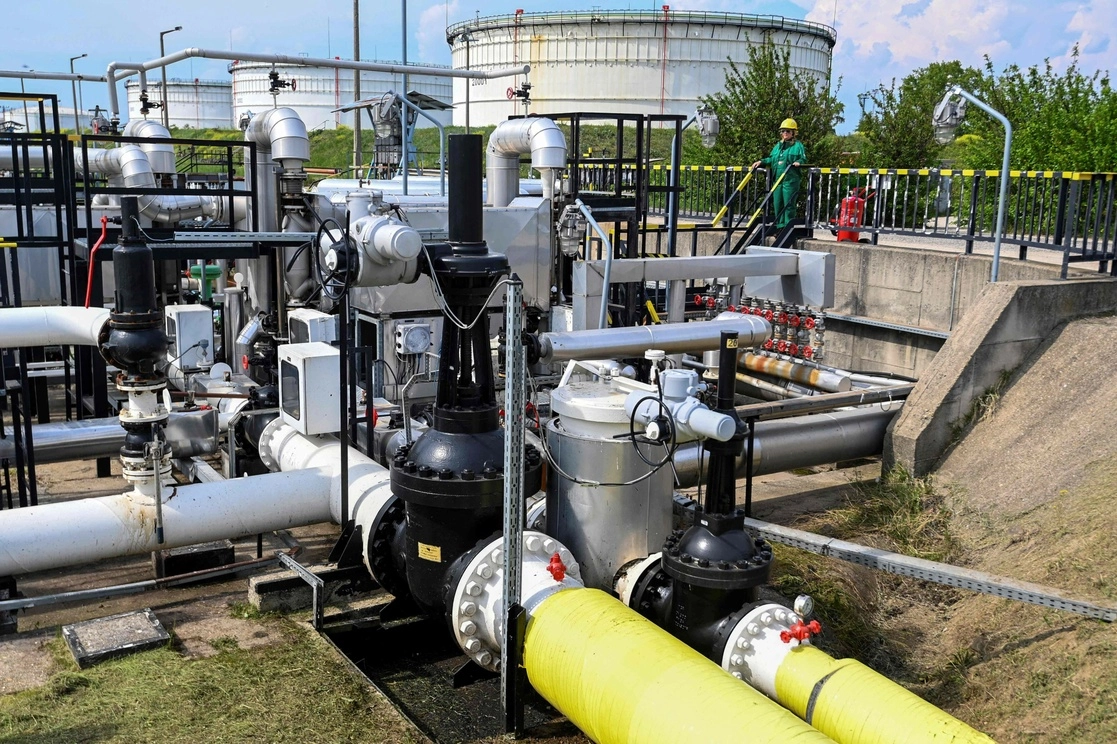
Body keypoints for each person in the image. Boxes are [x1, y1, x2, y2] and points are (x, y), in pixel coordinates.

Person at [751, 118, 806, 229]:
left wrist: (798, 162)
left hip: (790, 180)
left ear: (793, 133)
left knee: (789, 204)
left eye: (788, 131)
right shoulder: (778, 146)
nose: (785, 133)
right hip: (778, 180)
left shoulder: (798, 146)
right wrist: (761, 162)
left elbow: (803, 159)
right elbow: (771, 159)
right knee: (778, 203)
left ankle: (788, 226)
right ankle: (779, 226)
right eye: (783, 131)